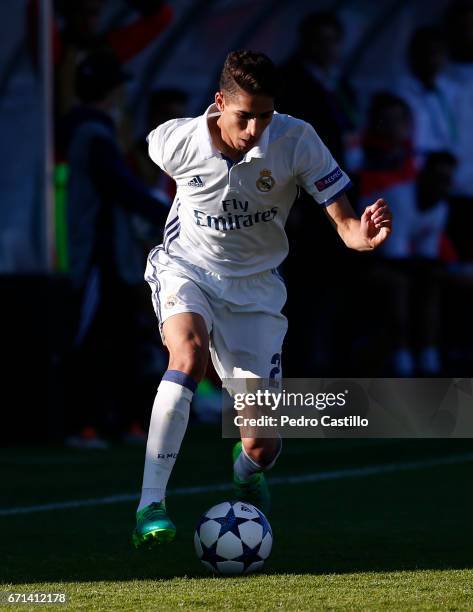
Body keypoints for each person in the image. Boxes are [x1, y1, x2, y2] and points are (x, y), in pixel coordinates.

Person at [132, 50, 392, 548]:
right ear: (218, 104)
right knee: (186, 356)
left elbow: (344, 222)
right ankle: (150, 506)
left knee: (262, 444)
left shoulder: (296, 140)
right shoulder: (174, 142)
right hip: (187, 269)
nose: (254, 129)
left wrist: (362, 235)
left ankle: (248, 473)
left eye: (265, 116)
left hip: (255, 293)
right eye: (243, 116)